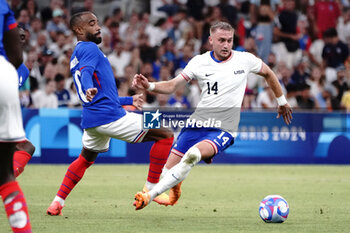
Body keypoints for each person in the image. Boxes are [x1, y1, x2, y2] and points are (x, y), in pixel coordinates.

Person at [132, 21, 293, 210]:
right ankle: (174, 189)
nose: (226, 45)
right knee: (166, 175)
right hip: (197, 124)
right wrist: (149, 86)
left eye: (229, 40)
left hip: (224, 128)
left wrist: (282, 102)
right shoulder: (199, 62)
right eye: (221, 40)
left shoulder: (245, 59)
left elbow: (268, 73)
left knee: (192, 156)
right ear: (211, 40)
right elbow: (172, 86)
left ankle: (148, 197)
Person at [46, 11, 174, 216]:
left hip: (93, 119)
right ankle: (151, 188)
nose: (98, 27)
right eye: (91, 23)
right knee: (166, 133)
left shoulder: (77, 53)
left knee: (85, 159)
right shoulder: (89, 48)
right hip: (110, 117)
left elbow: (100, 91)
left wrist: (128, 100)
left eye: (97, 22)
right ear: (79, 30)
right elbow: (86, 74)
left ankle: (57, 202)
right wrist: (88, 87)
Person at [0, 0, 32, 232]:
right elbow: (16, 57)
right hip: (3, 76)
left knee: (27, 147)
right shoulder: (3, 6)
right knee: (5, 176)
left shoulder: (24, 71)